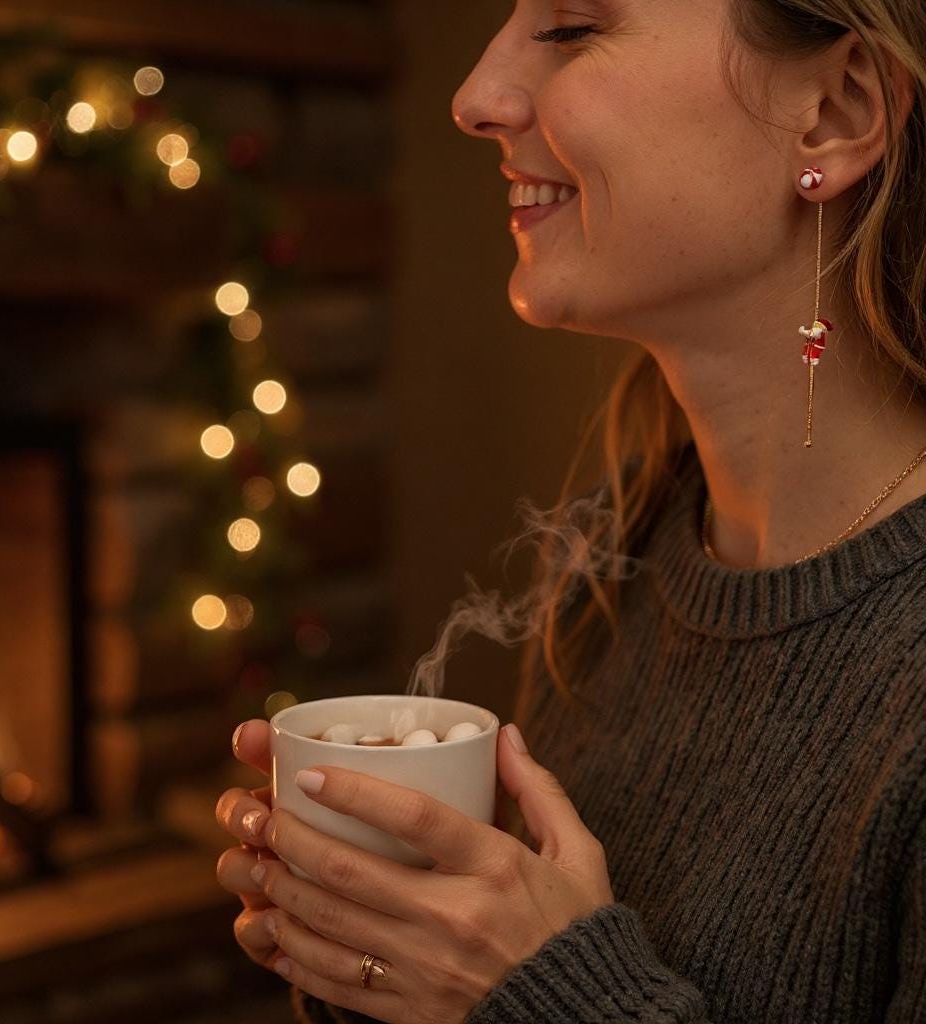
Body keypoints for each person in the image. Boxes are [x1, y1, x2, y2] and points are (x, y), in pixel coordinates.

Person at [215, 0, 926, 1020]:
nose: (472, 99)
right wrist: (384, 952)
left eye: (571, 26)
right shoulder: (616, 550)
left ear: (835, 112)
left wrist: (540, 992)